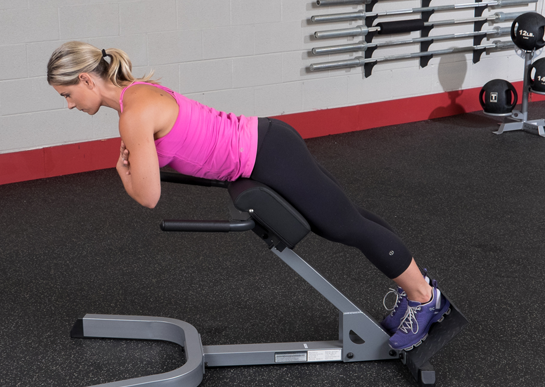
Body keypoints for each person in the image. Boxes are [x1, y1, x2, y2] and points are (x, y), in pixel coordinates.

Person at [47, 41, 450, 351]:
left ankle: (424, 298)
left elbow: (148, 195)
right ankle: (416, 286)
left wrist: (123, 173)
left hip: (267, 154)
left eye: (66, 94)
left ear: (86, 80)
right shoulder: (136, 93)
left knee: (344, 226)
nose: (68, 105)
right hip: (267, 145)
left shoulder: (133, 115)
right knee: (348, 220)